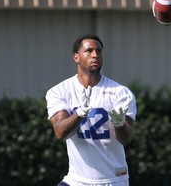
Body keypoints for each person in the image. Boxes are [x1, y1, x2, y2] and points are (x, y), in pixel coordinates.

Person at [45, 33, 137, 186]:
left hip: (112, 180)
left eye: (98, 51)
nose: (95, 55)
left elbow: (126, 139)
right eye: (89, 51)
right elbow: (60, 133)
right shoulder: (59, 91)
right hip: (76, 180)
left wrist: (119, 123)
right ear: (76, 57)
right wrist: (79, 114)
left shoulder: (120, 92)